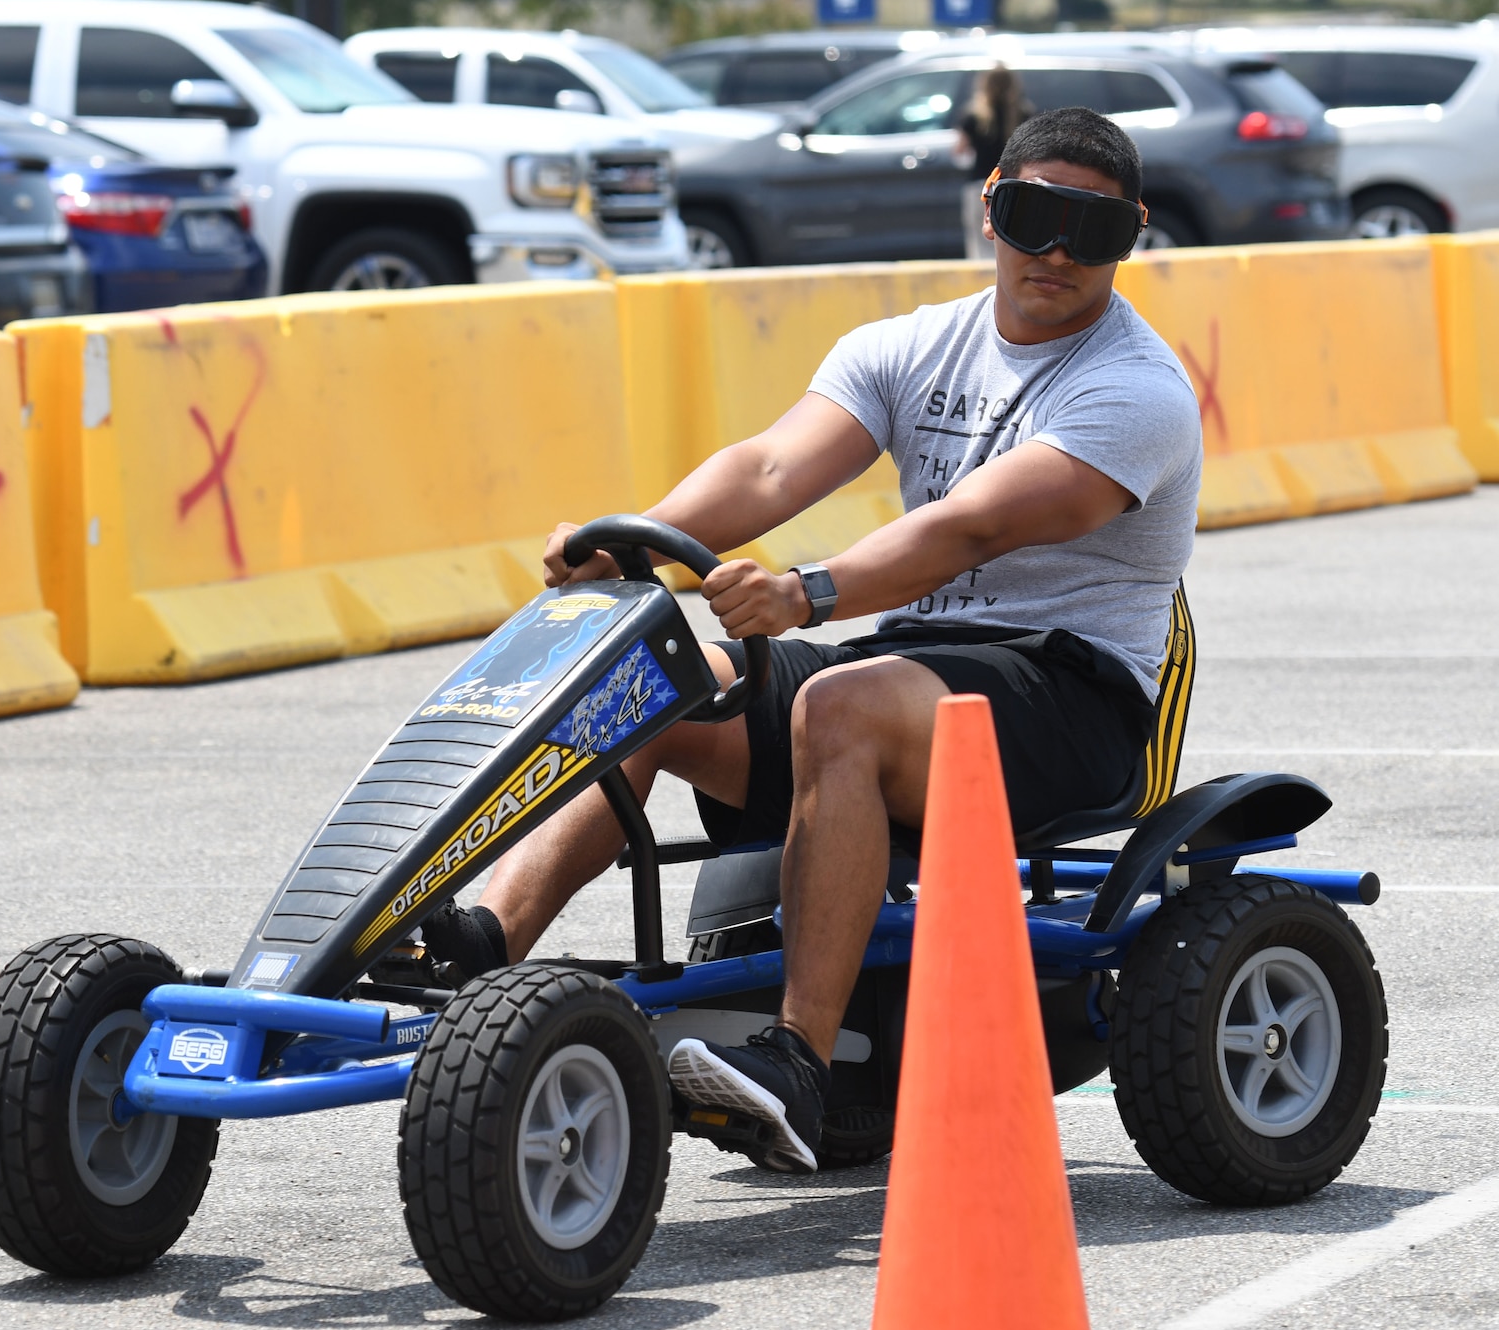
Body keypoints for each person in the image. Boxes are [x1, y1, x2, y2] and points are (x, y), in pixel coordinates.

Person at [420, 107, 1203, 1174]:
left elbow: (973, 523)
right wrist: (624, 544)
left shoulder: (1138, 389)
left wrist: (807, 590)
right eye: (1032, 215)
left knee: (838, 703)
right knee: (651, 675)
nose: (1056, 250)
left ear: (1131, 234)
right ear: (989, 210)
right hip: (918, 668)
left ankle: (797, 1057)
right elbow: (772, 468)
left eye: (1091, 228)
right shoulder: (909, 345)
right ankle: (486, 943)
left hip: (1069, 694)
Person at [954, 65, 1032, 261]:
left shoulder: (974, 115)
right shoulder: (1023, 113)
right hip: (1013, 185)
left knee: (979, 243)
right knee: (1012, 241)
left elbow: (959, 150)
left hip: (981, 183)